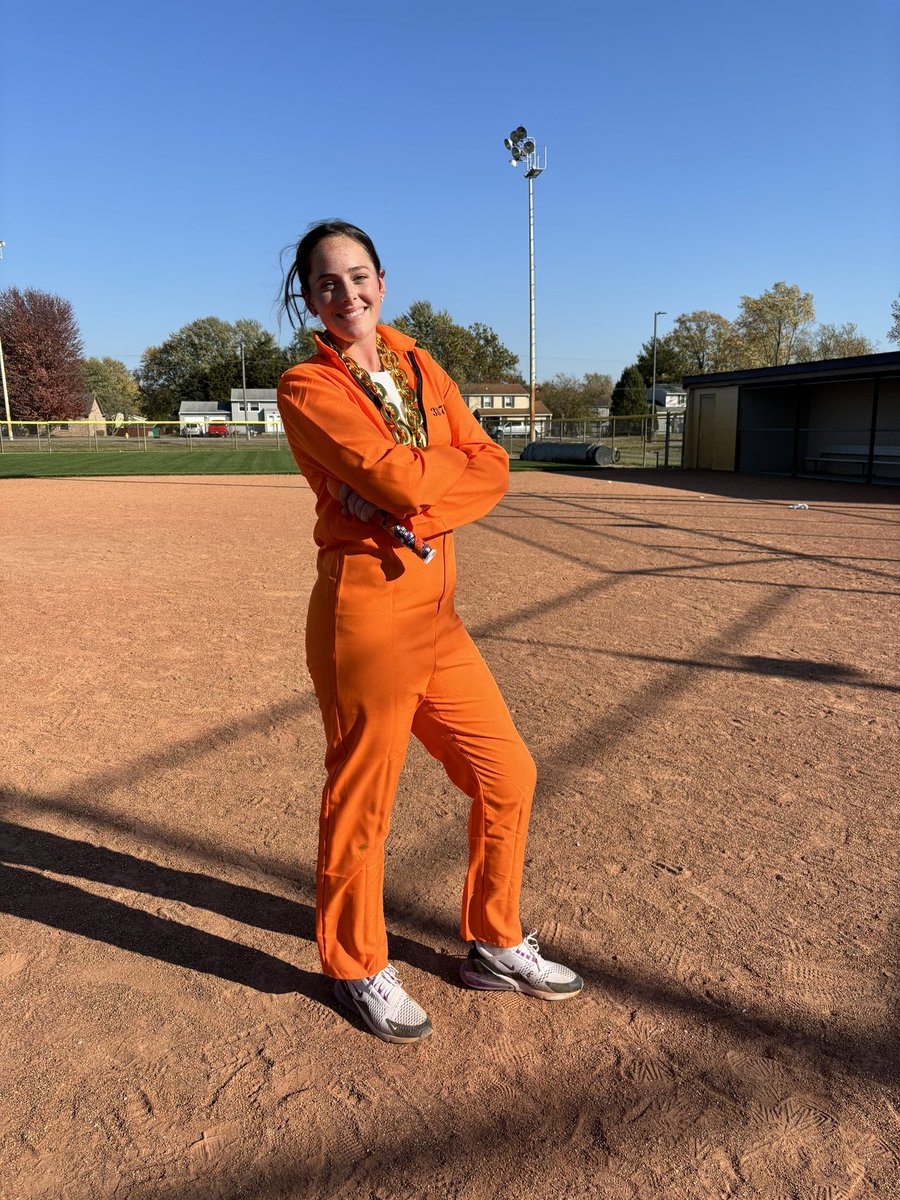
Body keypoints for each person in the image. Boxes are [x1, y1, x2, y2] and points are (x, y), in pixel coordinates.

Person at [277, 220, 582, 1044]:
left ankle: (494, 940)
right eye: (328, 283)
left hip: (439, 617)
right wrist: (417, 483)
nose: (347, 294)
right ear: (309, 298)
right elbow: (395, 474)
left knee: (507, 773)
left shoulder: (418, 363)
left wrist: (414, 498)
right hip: (365, 617)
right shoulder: (307, 385)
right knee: (364, 801)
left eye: (359, 276)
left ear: (382, 282)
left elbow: (489, 462)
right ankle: (354, 965)